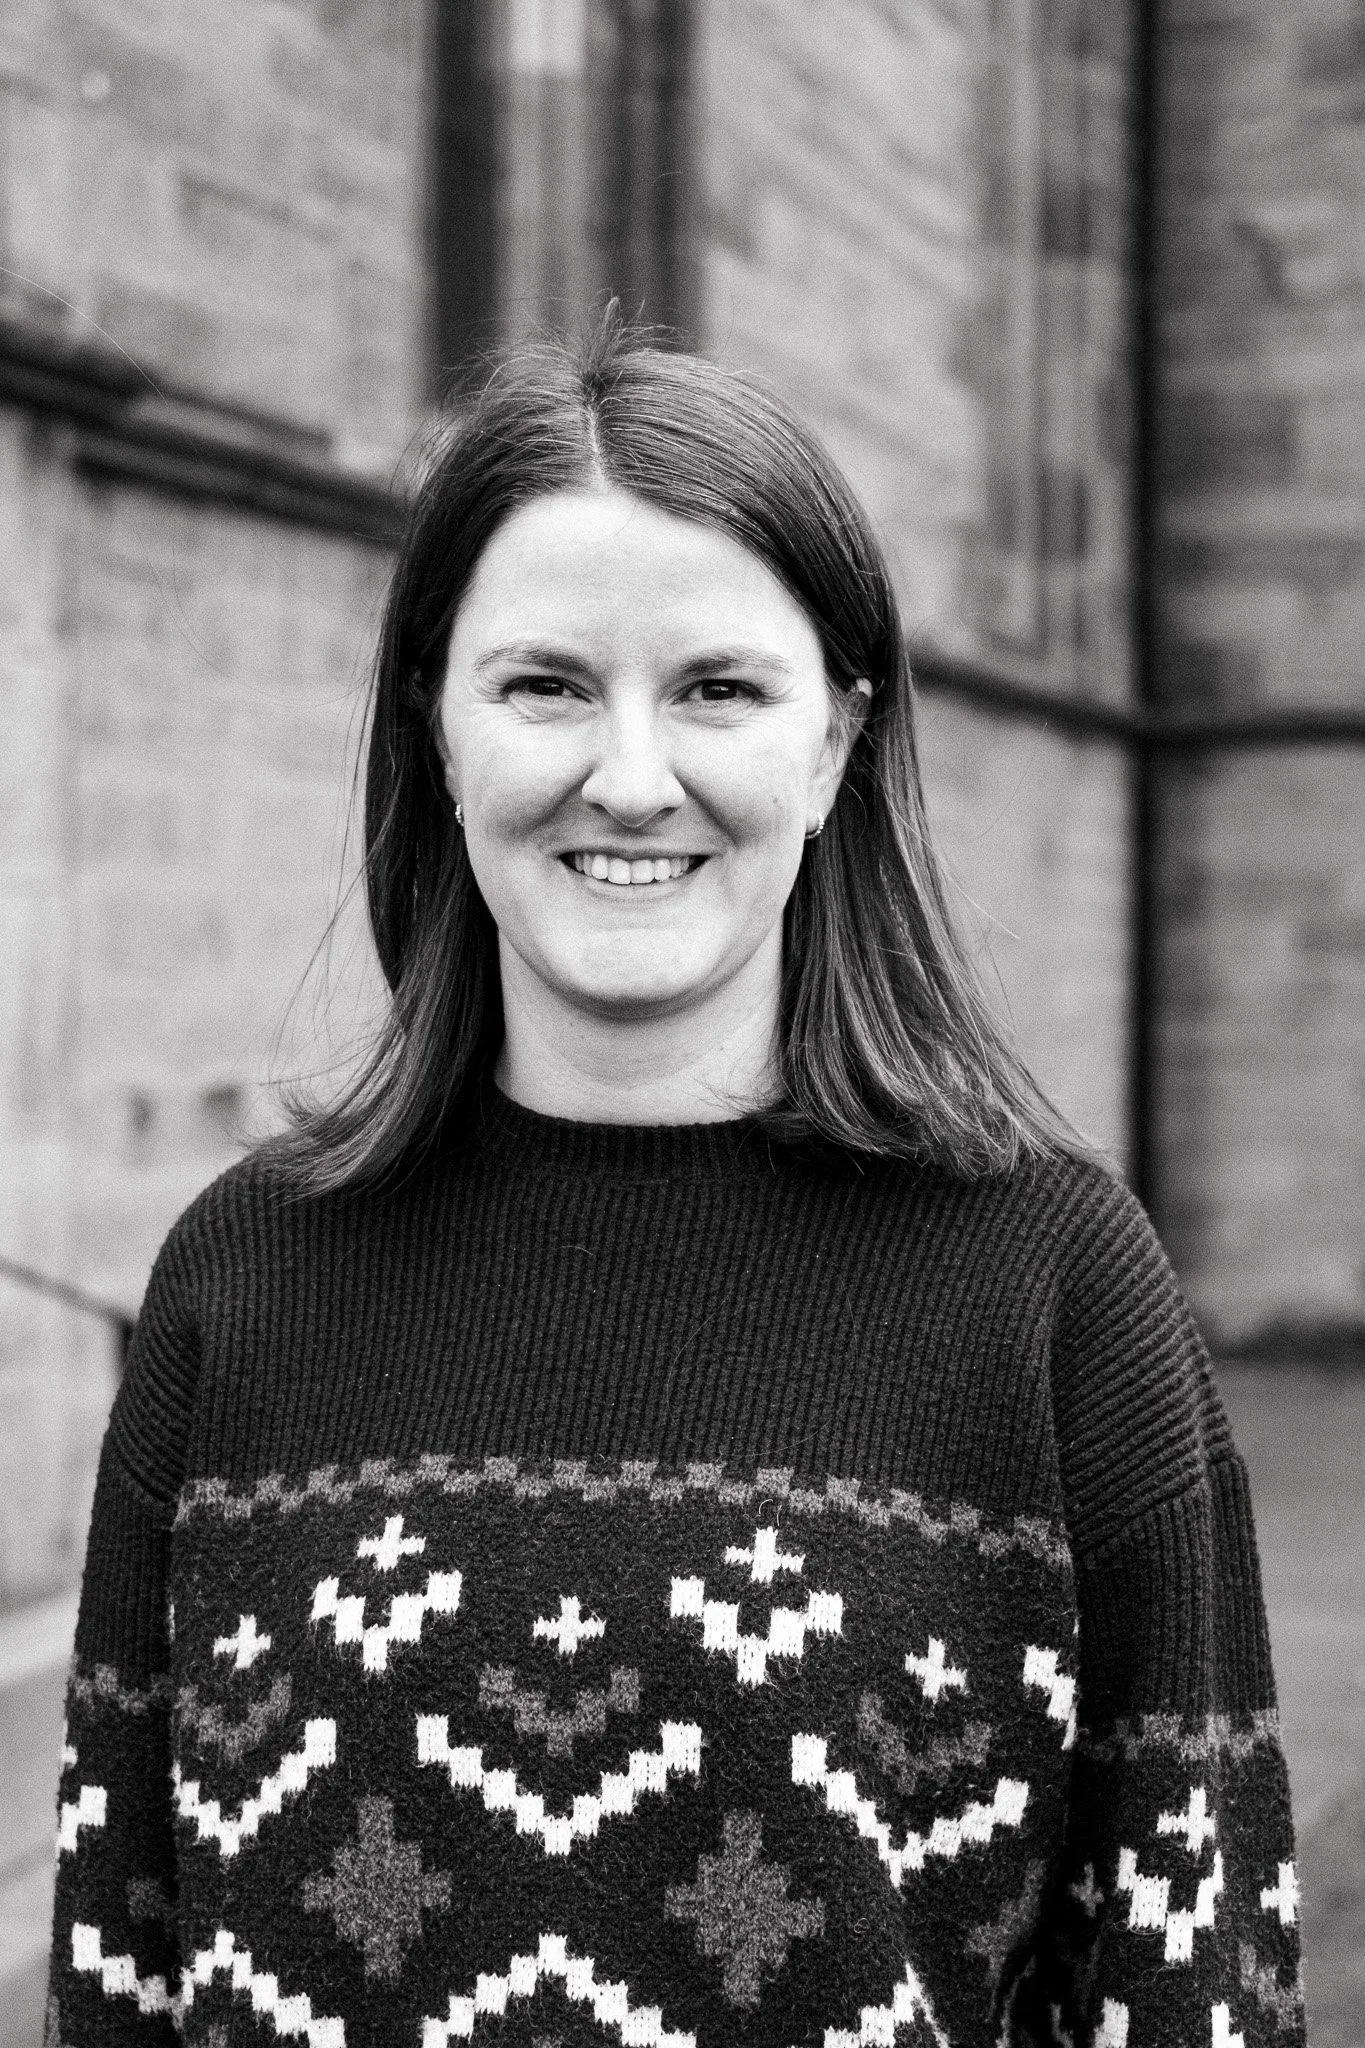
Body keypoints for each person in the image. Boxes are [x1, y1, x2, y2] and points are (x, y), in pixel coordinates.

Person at [50, 315, 1303, 2048]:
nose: (628, 777)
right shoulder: (243, 1276)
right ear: (434, 728)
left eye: (717, 688)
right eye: (546, 683)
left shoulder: (1054, 1288)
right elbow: (120, 1969)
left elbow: (1199, 1991)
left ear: (837, 739)